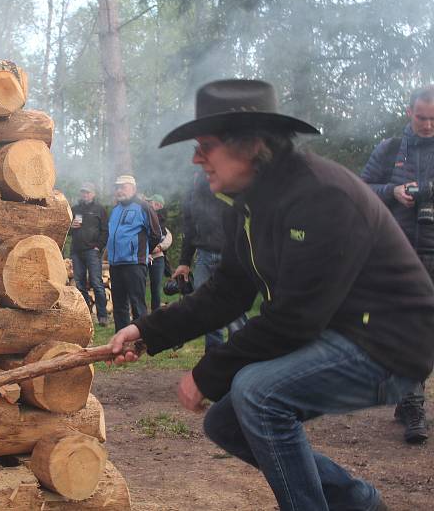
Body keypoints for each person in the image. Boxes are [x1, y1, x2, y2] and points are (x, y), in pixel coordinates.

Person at [108, 79, 434, 511]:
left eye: (206, 145)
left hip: (394, 343)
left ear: (250, 144)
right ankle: (357, 503)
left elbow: (297, 318)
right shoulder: (247, 204)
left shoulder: (321, 195)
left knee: (257, 394)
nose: (196, 157)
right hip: (344, 334)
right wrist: (146, 330)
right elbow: (228, 292)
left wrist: (209, 372)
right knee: (227, 423)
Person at [360, 85, 434, 445]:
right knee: (410, 331)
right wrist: (393, 192)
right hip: (398, 253)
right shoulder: (389, 149)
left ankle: (406, 397)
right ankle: (414, 404)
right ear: (409, 113)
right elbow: (361, 190)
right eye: (422, 117)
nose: (428, 124)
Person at [173, 172, 248, 350]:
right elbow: (190, 228)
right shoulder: (193, 189)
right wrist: (184, 261)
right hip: (204, 256)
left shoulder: (231, 181)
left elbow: (246, 219)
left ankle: (241, 355)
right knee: (206, 307)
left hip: (232, 254)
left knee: (234, 307)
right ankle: (213, 355)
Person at [106, 175, 161, 332]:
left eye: (123, 186)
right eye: (117, 187)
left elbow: (156, 233)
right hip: (115, 264)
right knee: (119, 306)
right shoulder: (115, 210)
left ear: (133, 188)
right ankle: (121, 340)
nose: (119, 190)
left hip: (134, 264)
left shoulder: (143, 207)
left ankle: (141, 338)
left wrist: (142, 251)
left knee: (137, 304)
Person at [70, 182, 109, 326]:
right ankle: (85, 317)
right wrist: (71, 226)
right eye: (83, 192)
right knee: (80, 285)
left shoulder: (100, 210)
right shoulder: (75, 209)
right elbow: (67, 231)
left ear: (93, 194)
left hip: (92, 252)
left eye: (87, 192)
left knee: (97, 283)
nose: (85, 194)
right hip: (76, 251)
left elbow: (105, 231)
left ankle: (102, 316)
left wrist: (98, 247)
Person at [145, 193, 173, 312]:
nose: (149, 204)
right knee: (140, 286)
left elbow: (168, 237)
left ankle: (155, 312)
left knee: (155, 287)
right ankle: (141, 313)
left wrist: (160, 247)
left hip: (158, 257)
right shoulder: (144, 217)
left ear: (158, 205)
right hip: (144, 256)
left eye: (151, 202)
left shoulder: (162, 222)